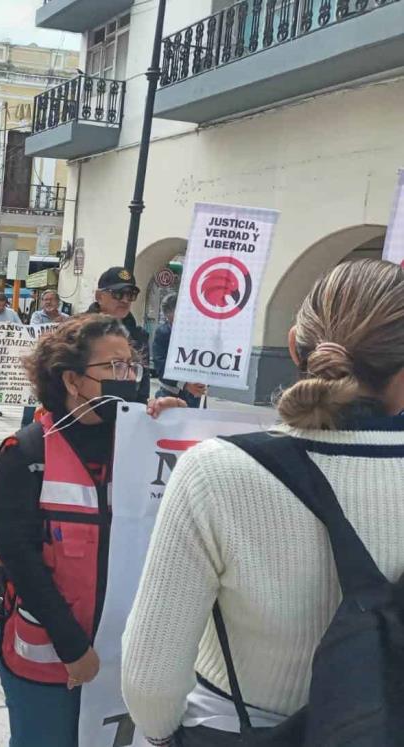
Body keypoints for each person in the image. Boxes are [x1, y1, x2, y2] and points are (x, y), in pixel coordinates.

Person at [122, 259, 404, 745]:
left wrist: (160, 736)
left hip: (239, 726)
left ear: (295, 344)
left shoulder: (215, 472)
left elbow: (150, 679)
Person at [0, 314, 185, 746]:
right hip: (50, 657)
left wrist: (178, 431)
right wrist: (73, 649)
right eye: (112, 368)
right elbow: (21, 560)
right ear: (73, 380)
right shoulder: (26, 453)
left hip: (127, 655)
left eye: (131, 365)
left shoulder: (145, 444)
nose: (127, 378)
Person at [87, 267, 150, 403]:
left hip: (126, 412)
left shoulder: (139, 336)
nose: (125, 300)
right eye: (118, 294)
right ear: (99, 296)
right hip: (85, 410)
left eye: (131, 295)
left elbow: (143, 387)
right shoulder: (80, 330)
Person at [151, 293, 207, 407]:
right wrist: (185, 384)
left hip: (196, 393)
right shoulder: (163, 333)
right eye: (173, 321)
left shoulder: (198, 332)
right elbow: (161, 366)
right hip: (171, 391)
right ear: (167, 316)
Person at [21, 290, 68, 426]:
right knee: (32, 395)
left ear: (58, 302)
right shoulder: (37, 316)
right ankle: (26, 426)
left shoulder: (66, 318)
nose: (48, 302)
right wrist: (54, 323)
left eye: (51, 299)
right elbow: (36, 333)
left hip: (57, 361)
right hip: (40, 360)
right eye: (45, 299)